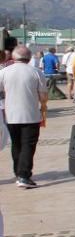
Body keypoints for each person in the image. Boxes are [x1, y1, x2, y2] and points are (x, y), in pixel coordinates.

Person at [0, 44, 48, 189]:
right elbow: (44, 95)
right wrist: (43, 107)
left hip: (10, 115)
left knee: (16, 144)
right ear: (29, 57)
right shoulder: (36, 72)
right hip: (31, 115)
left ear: (13, 57)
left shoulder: (4, 72)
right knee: (28, 145)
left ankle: (18, 172)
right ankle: (24, 176)